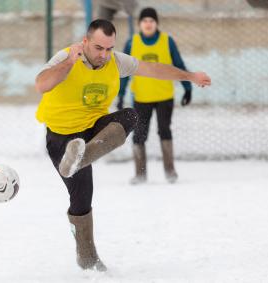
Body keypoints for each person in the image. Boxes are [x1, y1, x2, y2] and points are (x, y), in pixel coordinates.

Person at [35, 19, 210, 271]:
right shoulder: (67, 57)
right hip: (62, 137)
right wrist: (69, 62)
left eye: (109, 48)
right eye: (98, 48)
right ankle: (87, 256)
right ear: (85, 42)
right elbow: (41, 84)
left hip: (91, 132)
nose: (104, 55)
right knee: (81, 198)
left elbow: (152, 68)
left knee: (130, 116)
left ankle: (81, 159)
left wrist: (189, 76)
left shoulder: (115, 61)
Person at [117, 7, 192, 184]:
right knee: (139, 135)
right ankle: (140, 174)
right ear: (139, 24)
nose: (148, 24)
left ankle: (170, 171)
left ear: (156, 23)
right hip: (141, 98)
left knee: (164, 130)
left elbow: (178, 64)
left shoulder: (167, 41)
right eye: (145, 21)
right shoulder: (132, 43)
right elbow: (123, 72)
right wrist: (120, 95)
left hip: (164, 96)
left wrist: (187, 87)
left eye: (151, 21)